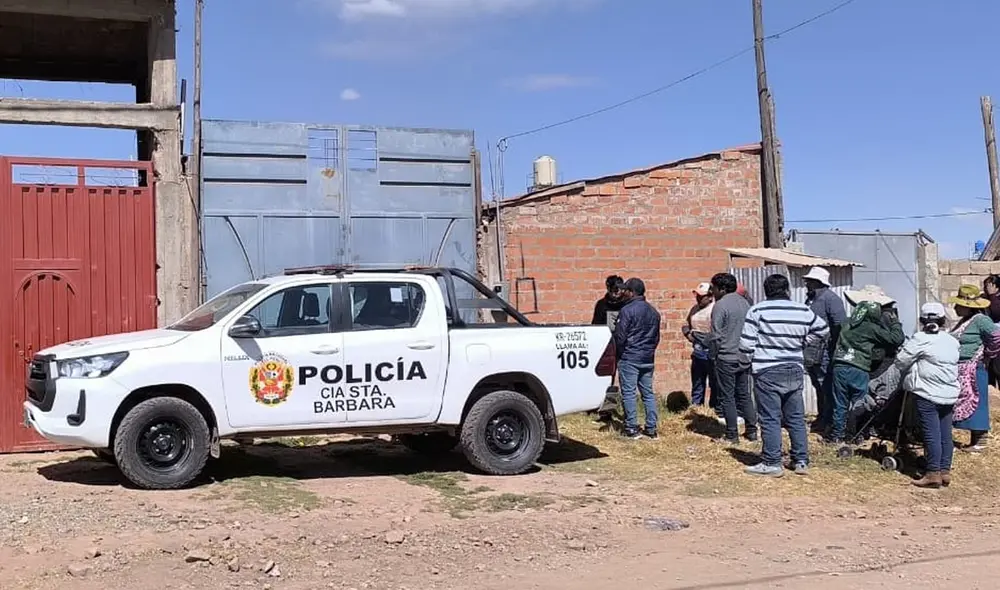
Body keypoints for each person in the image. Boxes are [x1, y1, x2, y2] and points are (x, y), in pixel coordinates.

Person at [739, 274, 829, 477]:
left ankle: (772, 462)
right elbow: (823, 330)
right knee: (796, 417)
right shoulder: (802, 310)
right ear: (787, 290)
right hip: (794, 368)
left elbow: (745, 344)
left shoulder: (758, 310)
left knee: (770, 418)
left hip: (767, 370)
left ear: (766, 290)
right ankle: (801, 461)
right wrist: (803, 343)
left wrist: (751, 358)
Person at [894, 302, 960, 488]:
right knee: (945, 434)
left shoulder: (920, 339)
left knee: (931, 434)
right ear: (943, 320)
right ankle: (945, 471)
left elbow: (901, 361)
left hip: (928, 393)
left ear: (923, 320)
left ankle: (932, 473)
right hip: (949, 394)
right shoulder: (952, 340)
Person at [827, 287, 905, 444]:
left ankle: (837, 435)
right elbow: (896, 339)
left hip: (840, 366)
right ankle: (856, 435)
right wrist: (895, 322)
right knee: (859, 403)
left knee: (840, 403)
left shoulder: (846, 323)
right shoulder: (871, 327)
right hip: (859, 367)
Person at [948, 285, 1000, 452]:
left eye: (959, 305)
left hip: (974, 368)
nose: (955, 308)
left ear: (968, 306)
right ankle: (974, 439)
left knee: (977, 401)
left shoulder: (981, 321)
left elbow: (996, 336)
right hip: (961, 368)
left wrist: (988, 353)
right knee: (964, 400)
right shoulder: (965, 321)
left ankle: (980, 440)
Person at [708, 273, 758, 444]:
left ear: (722, 289)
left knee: (727, 396)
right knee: (744, 394)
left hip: (726, 357)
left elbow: (716, 335)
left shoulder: (720, 306)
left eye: (713, 287)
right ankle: (752, 430)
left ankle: (731, 434)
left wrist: (712, 355)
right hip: (744, 356)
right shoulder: (746, 303)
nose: (711, 291)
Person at [613, 277, 662, 439]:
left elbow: (620, 337)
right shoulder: (653, 311)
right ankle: (651, 428)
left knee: (629, 393)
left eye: (625, 290)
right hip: (647, 358)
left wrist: (619, 354)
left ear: (631, 292)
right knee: (648, 393)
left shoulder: (627, 311)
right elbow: (656, 338)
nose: (623, 292)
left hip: (630, 357)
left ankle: (631, 427)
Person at [802, 267, 847, 433]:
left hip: (825, 351)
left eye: (809, 281)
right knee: (817, 385)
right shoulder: (811, 299)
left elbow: (839, 324)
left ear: (818, 283)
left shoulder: (831, 299)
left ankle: (828, 421)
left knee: (825, 386)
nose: (806, 284)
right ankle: (822, 417)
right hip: (810, 350)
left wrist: (833, 347)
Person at [682, 283, 717, 408]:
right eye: (697, 296)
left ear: (710, 296)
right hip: (697, 351)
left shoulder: (715, 309)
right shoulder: (694, 309)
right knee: (697, 383)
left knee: (714, 384)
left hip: (711, 352)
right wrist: (688, 335)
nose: (698, 299)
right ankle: (697, 407)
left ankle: (714, 410)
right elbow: (686, 324)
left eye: (701, 297)